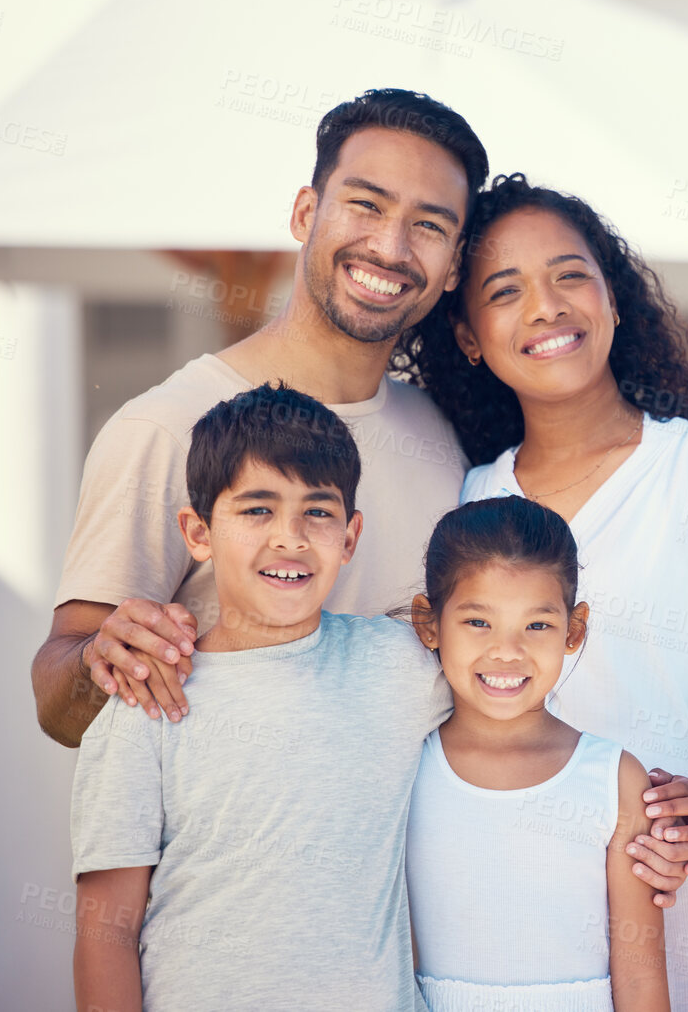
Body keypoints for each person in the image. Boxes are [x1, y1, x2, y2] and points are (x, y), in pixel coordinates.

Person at [403, 173, 688, 1009]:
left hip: (680, 892)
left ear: (614, 301)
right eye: (504, 291)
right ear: (470, 337)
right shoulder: (471, 499)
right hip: (508, 911)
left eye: (570, 275)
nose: (546, 306)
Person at [34, 88, 485, 744]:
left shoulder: (443, 432)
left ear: (452, 267)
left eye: (429, 225)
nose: (390, 246)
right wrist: (99, 659)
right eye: (365, 204)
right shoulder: (167, 426)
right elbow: (57, 708)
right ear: (306, 212)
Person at [71, 384, 451, 1012]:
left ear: (350, 537)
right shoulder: (147, 698)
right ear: (198, 532)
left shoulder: (403, 664)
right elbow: (105, 930)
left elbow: (519, 706)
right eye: (256, 510)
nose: (290, 538)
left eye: (318, 513)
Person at [404, 496, 669, 1012]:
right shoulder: (403, 769)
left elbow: (640, 982)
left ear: (574, 630)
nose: (508, 650)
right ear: (428, 622)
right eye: (478, 622)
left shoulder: (614, 781)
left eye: (537, 625)